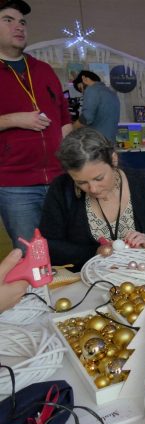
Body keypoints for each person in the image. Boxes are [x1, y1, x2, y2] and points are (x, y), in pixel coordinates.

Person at [39, 128, 145, 270]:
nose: (92, 189)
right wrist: (94, 252)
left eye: (99, 178)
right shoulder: (62, 188)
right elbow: (49, 246)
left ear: (113, 159)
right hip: (87, 282)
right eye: (81, 183)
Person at [0, 0, 72, 250]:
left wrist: (70, 164)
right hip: (15, 184)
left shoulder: (43, 69)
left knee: (69, 249)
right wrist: (13, 119)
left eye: (22, 22)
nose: (18, 27)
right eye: (8, 20)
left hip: (59, 179)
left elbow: (64, 120)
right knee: (31, 255)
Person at [72, 70, 120, 141]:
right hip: (110, 142)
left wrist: (71, 128)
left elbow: (86, 118)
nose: (83, 92)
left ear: (84, 78)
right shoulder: (112, 93)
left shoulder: (91, 89)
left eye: (81, 88)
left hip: (96, 143)